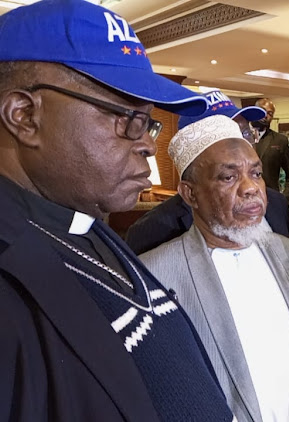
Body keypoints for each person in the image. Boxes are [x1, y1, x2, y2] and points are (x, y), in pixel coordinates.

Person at [0, 1, 233, 420]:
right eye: (126, 117)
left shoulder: (83, 220)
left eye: (148, 121)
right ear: (24, 116)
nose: (146, 143)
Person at [139, 115, 289, 422]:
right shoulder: (155, 276)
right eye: (228, 177)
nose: (251, 188)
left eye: (255, 173)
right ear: (190, 194)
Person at [125, 89, 289, 254]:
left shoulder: (277, 204)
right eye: (226, 133)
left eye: (245, 133)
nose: (241, 144)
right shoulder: (152, 230)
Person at [253, 98, 289, 203]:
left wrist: (283, 202)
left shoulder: (279, 140)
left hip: (270, 201)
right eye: (263, 111)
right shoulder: (239, 136)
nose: (266, 116)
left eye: (270, 113)